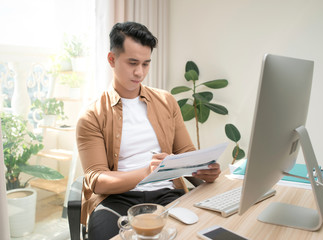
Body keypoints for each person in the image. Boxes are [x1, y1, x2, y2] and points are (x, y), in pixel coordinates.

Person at [76, 21, 221, 239]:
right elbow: (96, 180)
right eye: (132, 63)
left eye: (146, 64)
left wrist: (203, 172)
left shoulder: (166, 101)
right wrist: (147, 172)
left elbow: (186, 153)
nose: (139, 72)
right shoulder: (92, 115)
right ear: (112, 59)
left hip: (166, 193)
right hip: (115, 199)